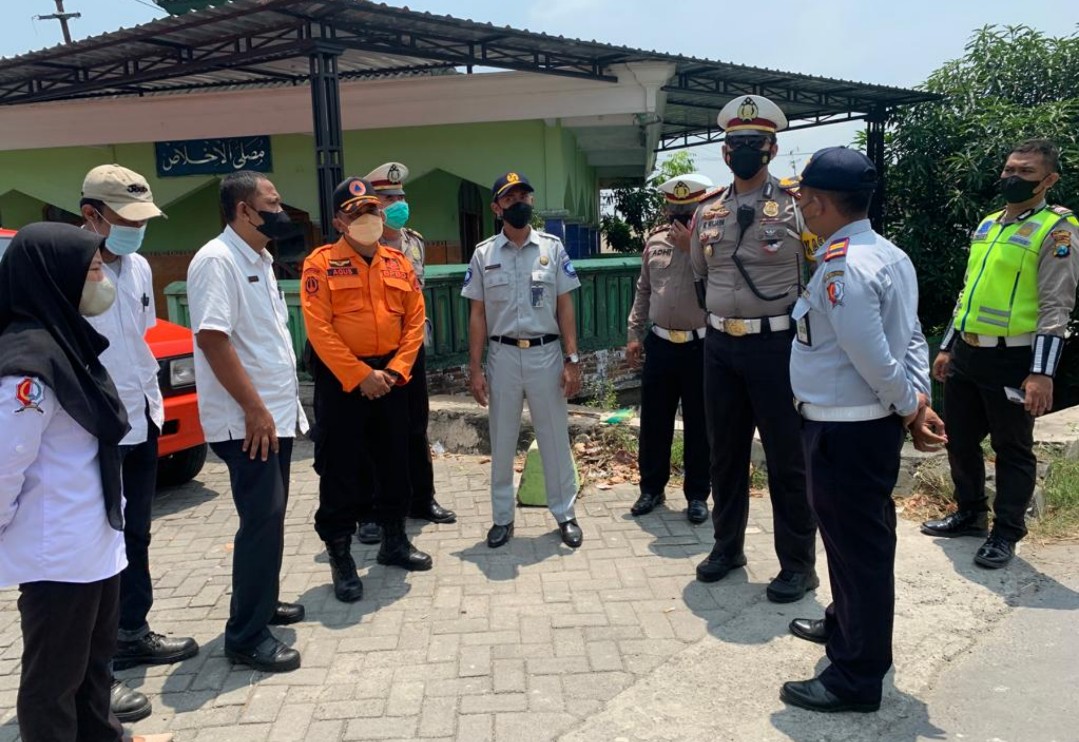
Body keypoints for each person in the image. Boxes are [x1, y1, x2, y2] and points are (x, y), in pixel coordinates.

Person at [781, 146, 946, 713]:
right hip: (857, 427)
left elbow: (872, 354)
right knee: (852, 543)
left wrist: (908, 406)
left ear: (819, 202)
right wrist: (918, 399)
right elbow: (913, 336)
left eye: (803, 198)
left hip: (845, 431)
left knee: (858, 551)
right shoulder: (888, 254)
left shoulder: (843, 266)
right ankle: (846, 624)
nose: (800, 207)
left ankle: (855, 677)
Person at [0, 223, 171, 742]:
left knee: (94, 665)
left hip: (95, 538)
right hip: (57, 548)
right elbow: (5, 465)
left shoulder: (66, 340)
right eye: (94, 270)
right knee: (53, 679)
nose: (103, 281)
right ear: (56, 277)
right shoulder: (27, 366)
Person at [922, 138, 1079, 569]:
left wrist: (1041, 372)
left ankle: (1007, 531)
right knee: (960, 440)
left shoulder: (1057, 230)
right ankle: (970, 512)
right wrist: (948, 346)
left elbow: (1056, 306)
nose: (1013, 177)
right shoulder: (989, 224)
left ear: (1049, 180)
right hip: (968, 353)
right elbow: (967, 292)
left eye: (1026, 172)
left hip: (1015, 359)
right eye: (1010, 169)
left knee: (1012, 449)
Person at [79, 165, 199, 722]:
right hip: (96, 427)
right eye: (125, 219)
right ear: (91, 215)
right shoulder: (71, 269)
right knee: (96, 549)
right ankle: (93, 667)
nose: (136, 229)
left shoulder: (141, 266)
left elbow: (141, 335)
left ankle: (132, 631)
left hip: (143, 415)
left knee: (136, 535)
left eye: (142, 220)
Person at [689, 94, 819, 603]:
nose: (743, 151)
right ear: (724, 152)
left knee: (787, 459)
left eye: (754, 143)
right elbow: (701, 274)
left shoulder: (796, 206)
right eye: (735, 143)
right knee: (724, 454)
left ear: (771, 149)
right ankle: (727, 547)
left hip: (777, 347)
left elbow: (820, 269)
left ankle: (798, 565)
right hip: (720, 346)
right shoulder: (708, 210)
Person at [186, 171, 307, 673]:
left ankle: (263, 601)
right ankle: (246, 635)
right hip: (248, 422)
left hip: (273, 416)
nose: (281, 212)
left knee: (271, 517)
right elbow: (213, 339)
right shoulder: (217, 260)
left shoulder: (259, 257)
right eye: (272, 204)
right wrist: (254, 409)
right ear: (243, 210)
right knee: (260, 520)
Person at [302, 177, 432, 604]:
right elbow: (319, 329)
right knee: (340, 468)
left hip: (392, 376)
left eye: (373, 210)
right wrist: (360, 375)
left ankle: (394, 541)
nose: (369, 218)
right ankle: (341, 556)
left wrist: (394, 371)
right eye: (357, 213)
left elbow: (415, 320)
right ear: (339, 222)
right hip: (343, 381)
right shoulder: (320, 264)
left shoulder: (398, 262)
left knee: (395, 461)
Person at [462, 172, 583, 549]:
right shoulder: (484, 254)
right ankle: (502, 518)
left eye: (524, 197)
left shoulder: (552, 248)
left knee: (554, 436)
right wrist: (475, 367)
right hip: (502, 356)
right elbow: (477, 314)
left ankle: (565, 513)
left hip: (546, 355)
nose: (519, 204)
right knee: (501, 439)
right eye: (510, 198)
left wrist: (571, 358)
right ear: (496, 208)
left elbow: (565, 305)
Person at [352, 161, 456, 546]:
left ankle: (421, 498)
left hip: (411, 348)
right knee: (372, 431)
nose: (398, 204)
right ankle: (369, 512)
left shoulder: (414, 242)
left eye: (401, 196)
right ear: (373, 205)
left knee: (415, 425)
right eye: (389, 198)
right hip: (374, 351)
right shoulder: (363, 246)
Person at [626, 173, 713, 523]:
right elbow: (644, 289)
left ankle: (698, 495)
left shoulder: (710, 245)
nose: (680, 218)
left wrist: (692, 248)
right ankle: (651, 488)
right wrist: (634, 333)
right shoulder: (655, 242)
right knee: (654, 420)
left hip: (699, 347)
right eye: (675, 211)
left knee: (699, 423)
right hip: (661, 343)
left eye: (687, 212)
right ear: (666, 210)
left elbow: (720, 282)